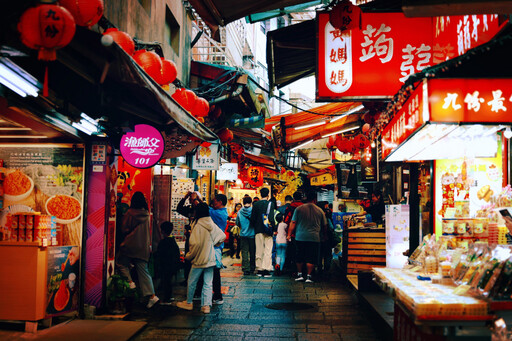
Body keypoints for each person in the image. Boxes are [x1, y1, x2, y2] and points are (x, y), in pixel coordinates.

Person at [177, 203, 225, 314]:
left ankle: (189, 303)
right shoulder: (211, 223)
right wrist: (215, 244)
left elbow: (195, 244)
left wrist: (189, 256)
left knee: (192, 281)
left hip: (199, 259)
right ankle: (206, 306)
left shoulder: (197, 225)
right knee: (208, 283)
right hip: (210, 258)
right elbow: (222, 236)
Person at [116, 192, 159, 308]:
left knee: (121, 263)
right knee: (144, 271)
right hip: (143, 247)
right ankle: (152, 296)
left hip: (130, 245)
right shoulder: (146, 213)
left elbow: (124, 228)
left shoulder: (130, 213)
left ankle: (130, 283)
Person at [287, 190, 328, 283]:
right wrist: (324, 236)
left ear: (306, 198)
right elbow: (324, 226)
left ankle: (300, 274)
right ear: (315, 199)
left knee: (299, 256)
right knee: (311, 257)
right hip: (314, 238)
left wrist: (289, 235)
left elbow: (293, 222)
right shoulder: (320, 210)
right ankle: (309, 276)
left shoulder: (299, 209)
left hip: (300, 237)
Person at [176, 191, 202, 284]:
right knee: (188, 259)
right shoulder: (189, 209)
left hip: (199, 238)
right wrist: (185, 197)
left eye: (193, 198)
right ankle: (187, 279)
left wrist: (197, 200)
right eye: (191, 199)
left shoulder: (202, 209)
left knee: (197, 259)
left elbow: (203, 207)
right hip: (190, 237)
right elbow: (179, 209)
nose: (192, 200)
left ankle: (197, 280)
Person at [250, 187, 276, 277]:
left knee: (259, 249)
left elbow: (252, 218)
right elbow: (271, 218)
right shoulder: (270, 204)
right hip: (268, 230)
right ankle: (267, 269)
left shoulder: (256, 204)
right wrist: (273, 227)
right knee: (268, 249)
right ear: (268, 195)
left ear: (260, 194)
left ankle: (259, 268)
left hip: (258, 229)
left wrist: (256, 225)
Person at [209, 194, 229, 305]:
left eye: (214, 201)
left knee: (215, 271)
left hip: (215, 246)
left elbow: (207, 210)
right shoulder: (220, 212)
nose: (213, 203)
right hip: (215, 245)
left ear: (220, 202)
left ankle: (217, 296)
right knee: (213, 271)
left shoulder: (218, 213)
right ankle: (215, 295)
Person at [155, 221, 180, 304]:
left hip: (165, 266)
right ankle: (170, 296)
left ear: (162, 231)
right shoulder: (173, 241)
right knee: (168, 282)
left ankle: (167, 298)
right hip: (172, 265)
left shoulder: (163, 243)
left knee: (166, 282)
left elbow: (159, 255)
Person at [283, 191, 304, 273]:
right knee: (302, 251)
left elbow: (287, 220)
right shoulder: (304, 207)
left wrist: (288, 233)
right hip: (303, 232)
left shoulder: (290, 207)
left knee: (292, 251)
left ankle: (292, 268)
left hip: (293, 233)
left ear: (294, 198)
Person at [236, 196, 255, 275]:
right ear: (251, 202)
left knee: (244, 252)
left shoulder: (240, 212)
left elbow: (237, 223)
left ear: (243, 203)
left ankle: (245, 268)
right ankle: (252, 267)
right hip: (252, 234)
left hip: (243, 234)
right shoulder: (253, 211)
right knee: (252, 251)